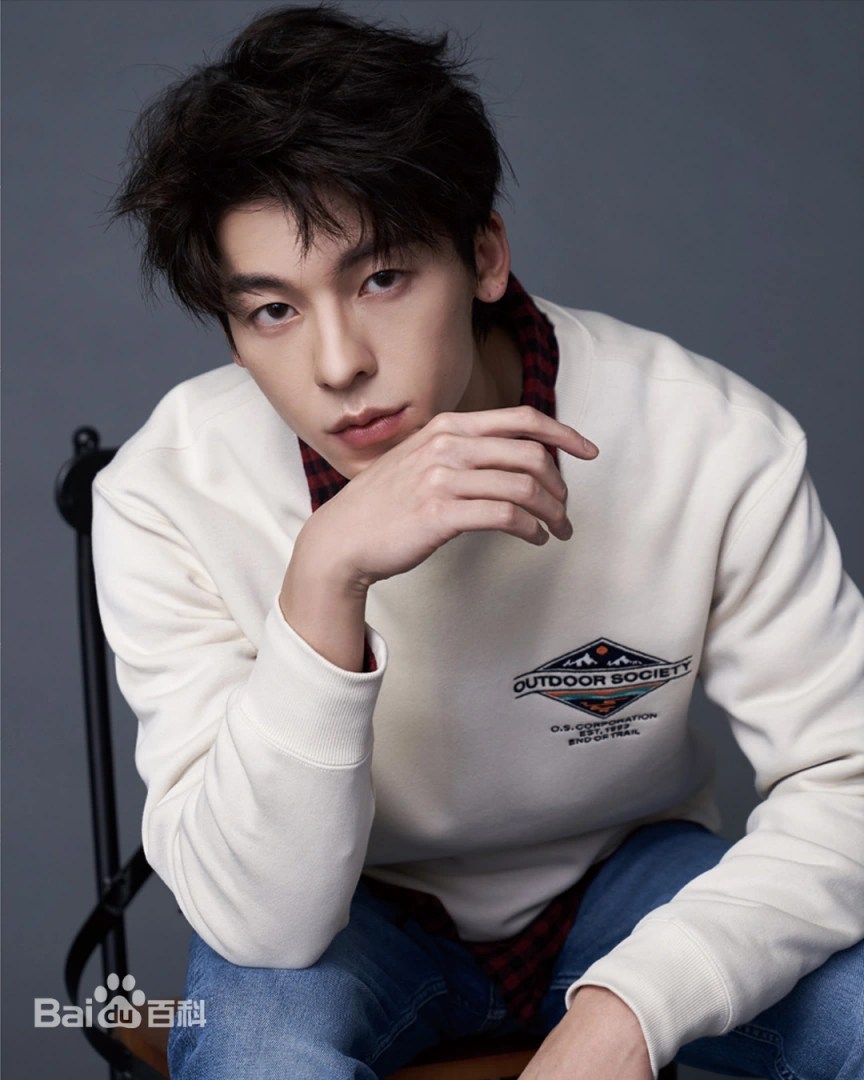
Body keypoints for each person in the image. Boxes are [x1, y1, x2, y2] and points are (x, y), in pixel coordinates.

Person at [93, 5, 864, 1078]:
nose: (338, 365)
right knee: (259, 1055)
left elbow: (849, 781)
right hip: (354, 914)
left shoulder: (708, 437)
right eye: (273, 310)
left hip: (625, 881)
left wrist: (631, 1011)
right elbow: (265, 926)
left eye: (381, 279)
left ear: (485, 256)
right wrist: (323, 582)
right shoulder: (166, 491)